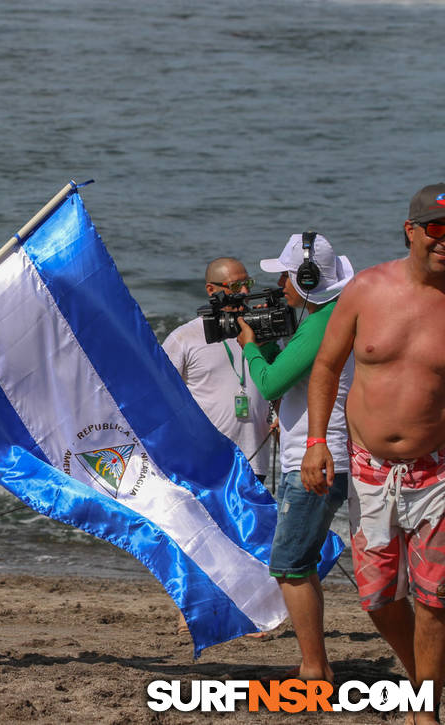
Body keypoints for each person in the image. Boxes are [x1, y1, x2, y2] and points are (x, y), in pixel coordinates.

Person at [302, 184, 445, 723]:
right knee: (379, 596)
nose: (444, 242)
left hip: (438, 472)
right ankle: (424, 680)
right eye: (436, 230)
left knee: (436, 597)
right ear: (411, 230)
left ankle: (424, 711)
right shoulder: (366, 289)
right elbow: (326, 367)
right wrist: (318, 441)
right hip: (368, 470)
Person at [236, 233, 355, 682]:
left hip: (317, 458)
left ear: (307, 278)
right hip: (312, 454)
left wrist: (250, 342)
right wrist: (266, 340)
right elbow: (284, 380)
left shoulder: (322, 323)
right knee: (298, 563)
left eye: (287, 275)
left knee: (288, 565)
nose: (282, 284)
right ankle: (317, 663)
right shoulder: (325, 317)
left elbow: (268, 385)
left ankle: (313, 669)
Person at [162, 257, 273, 483]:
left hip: (255, 461)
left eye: (248, 284)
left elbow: (278, 383)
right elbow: (160, 398)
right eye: (234, 286)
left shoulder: (263, 332)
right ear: (212, 290)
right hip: (203, 462)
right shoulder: (184, 338)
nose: (243, 291)